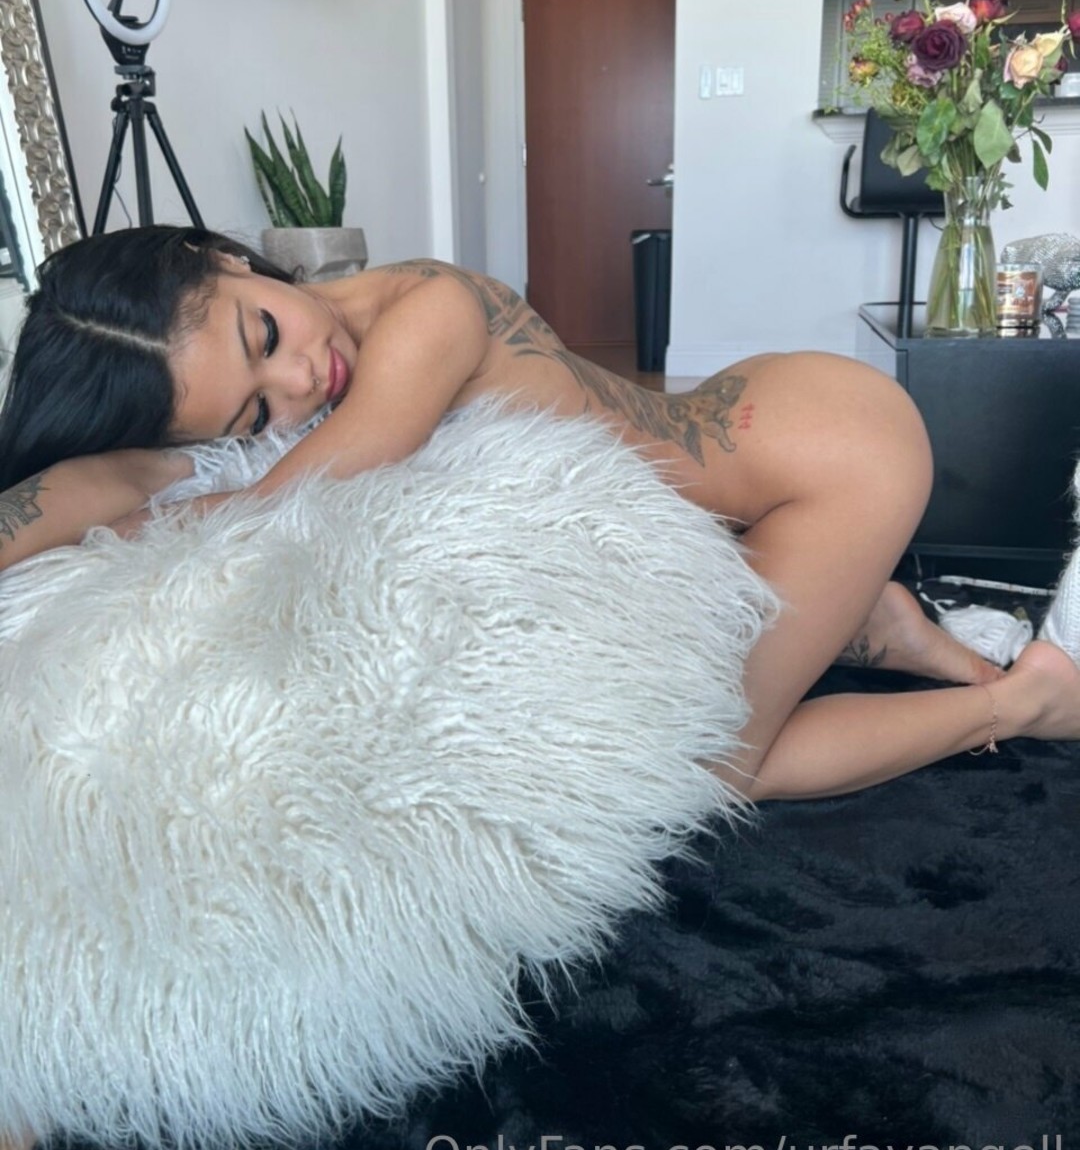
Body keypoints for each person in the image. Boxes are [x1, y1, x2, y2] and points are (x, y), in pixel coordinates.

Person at [1, 225, 1079, 803]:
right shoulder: (337, 348)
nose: (296, 382)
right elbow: (125, 474)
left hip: (834, 458)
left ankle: (1021, 701)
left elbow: (289, 492)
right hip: (751, 446)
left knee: (718, 769)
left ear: (226, 258)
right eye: (254, 408)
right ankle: (886, 623)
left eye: (263, 335)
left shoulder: (426, 313)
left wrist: (175, 516)